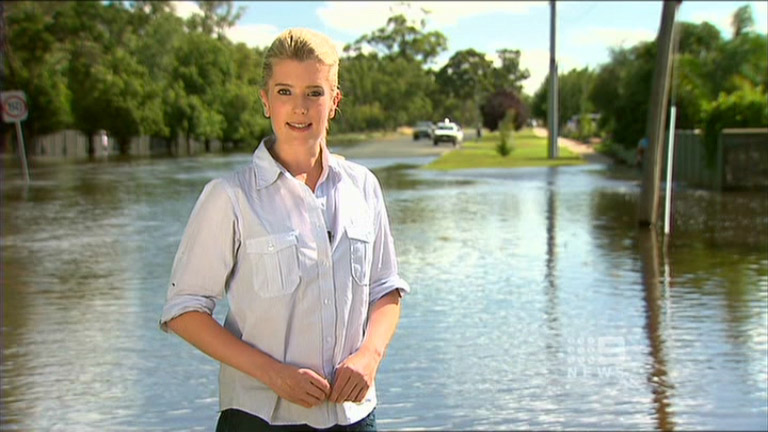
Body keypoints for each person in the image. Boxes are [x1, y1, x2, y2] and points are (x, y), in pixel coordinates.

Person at [159, 28, 409, 431]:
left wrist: (370, 356)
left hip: (354, 417)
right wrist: (273, 375)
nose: (299, 108)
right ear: (265, 100)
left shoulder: (364, 186)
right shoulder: (230, 196)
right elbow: (184, 310)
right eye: (284, 92)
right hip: (258, 419)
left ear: (334, 102)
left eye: (314, 92)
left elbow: (386, 289)